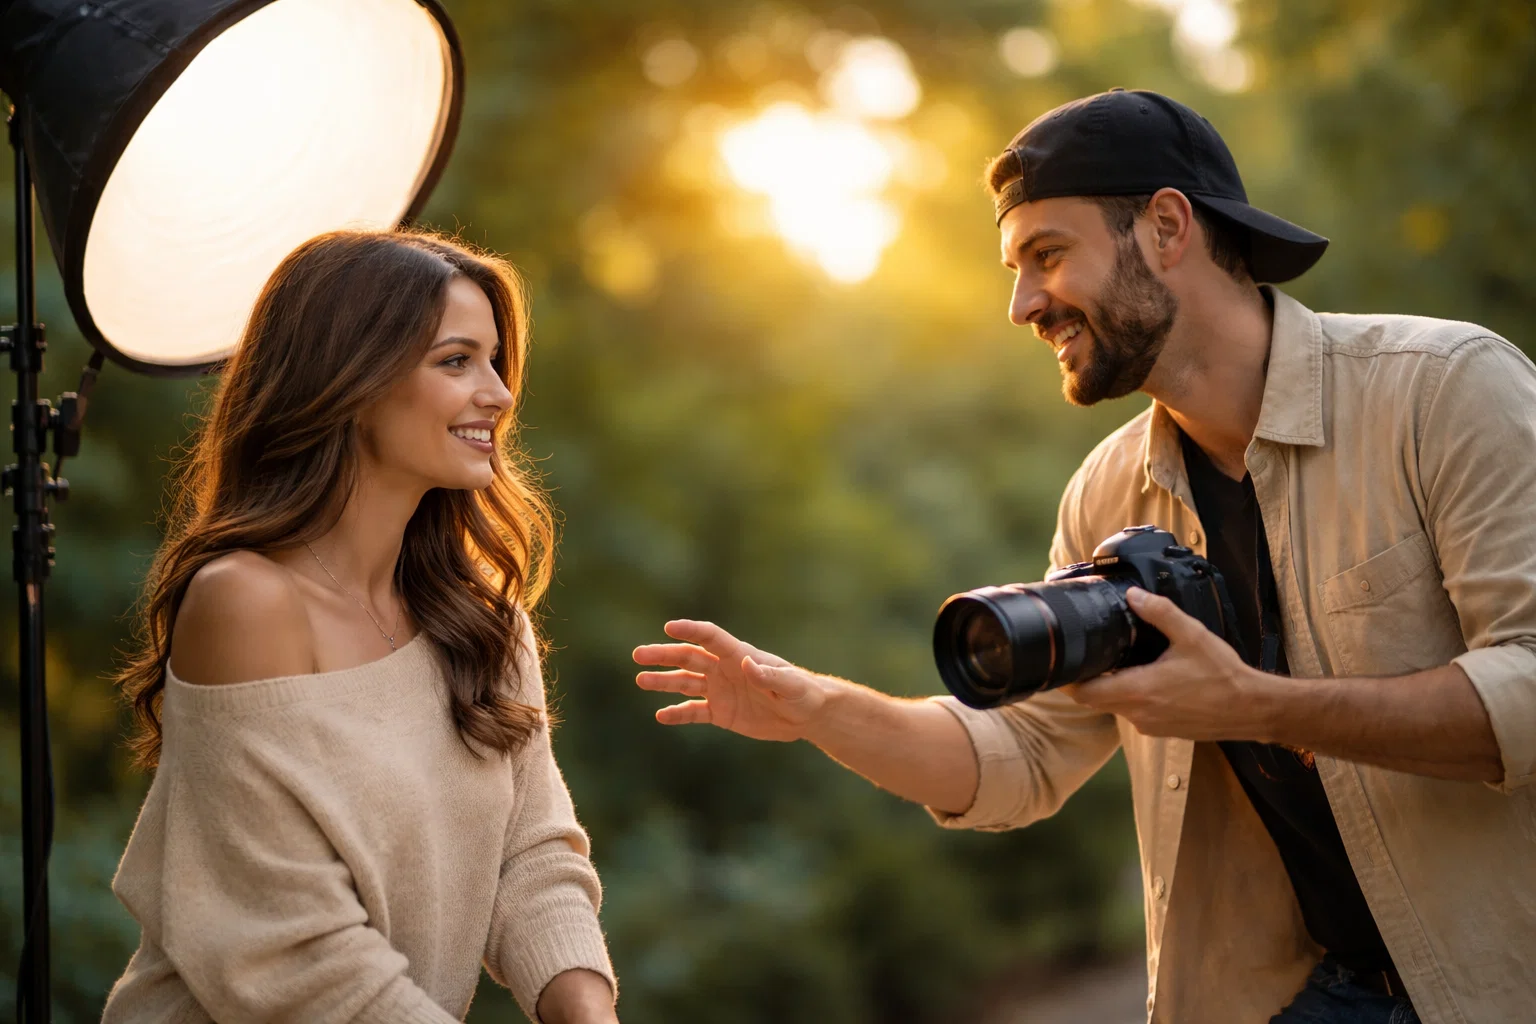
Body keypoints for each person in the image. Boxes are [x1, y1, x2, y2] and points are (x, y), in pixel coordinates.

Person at [633, 89, 1536, 1024]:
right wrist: (824, 710)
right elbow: (1024, 757)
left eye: (1048, 257)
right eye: (1015, 268)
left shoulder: (1444, 393)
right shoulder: (1108, 496)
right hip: (1314, 998)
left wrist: (1259, 709)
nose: (1023, 304)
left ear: (1167, 226)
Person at [104, 229, 618, 1023]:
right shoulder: (246, 601)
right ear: (351, 381)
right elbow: (296, 954)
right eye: (456, 361)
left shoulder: (484, 621)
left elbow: (533, 859)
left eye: (493, 360)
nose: (499, 394)